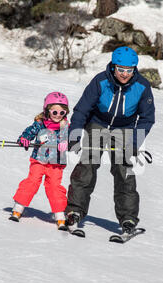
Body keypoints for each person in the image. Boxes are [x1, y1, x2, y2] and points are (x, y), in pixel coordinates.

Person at [65, 46, 155, 235]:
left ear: (134, 69)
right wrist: (74, 134)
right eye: (121, 69)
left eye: (129, 70)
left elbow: (147, 118)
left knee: (124, 171)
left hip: (124, 128)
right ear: (114, 66)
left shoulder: (142, 86)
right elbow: (82, 109)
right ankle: (75, 211)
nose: (124, 74)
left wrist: (134, 144)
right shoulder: (100, 81)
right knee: (88, 165)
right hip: (98, 123)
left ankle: (128, 217)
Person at [11, 92, 70, 230]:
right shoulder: (40, 124)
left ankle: (60, 214)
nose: (58, 115)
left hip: (56, 163)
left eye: (62, 112)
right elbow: (29, 132)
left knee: (54, 187)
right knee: (32, 181)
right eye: (55, 111)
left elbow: (72, 138)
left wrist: (67, 142)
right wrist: (24, 139)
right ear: (47, 110)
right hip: (39, 160)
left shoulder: (66, 126)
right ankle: (19, 206)